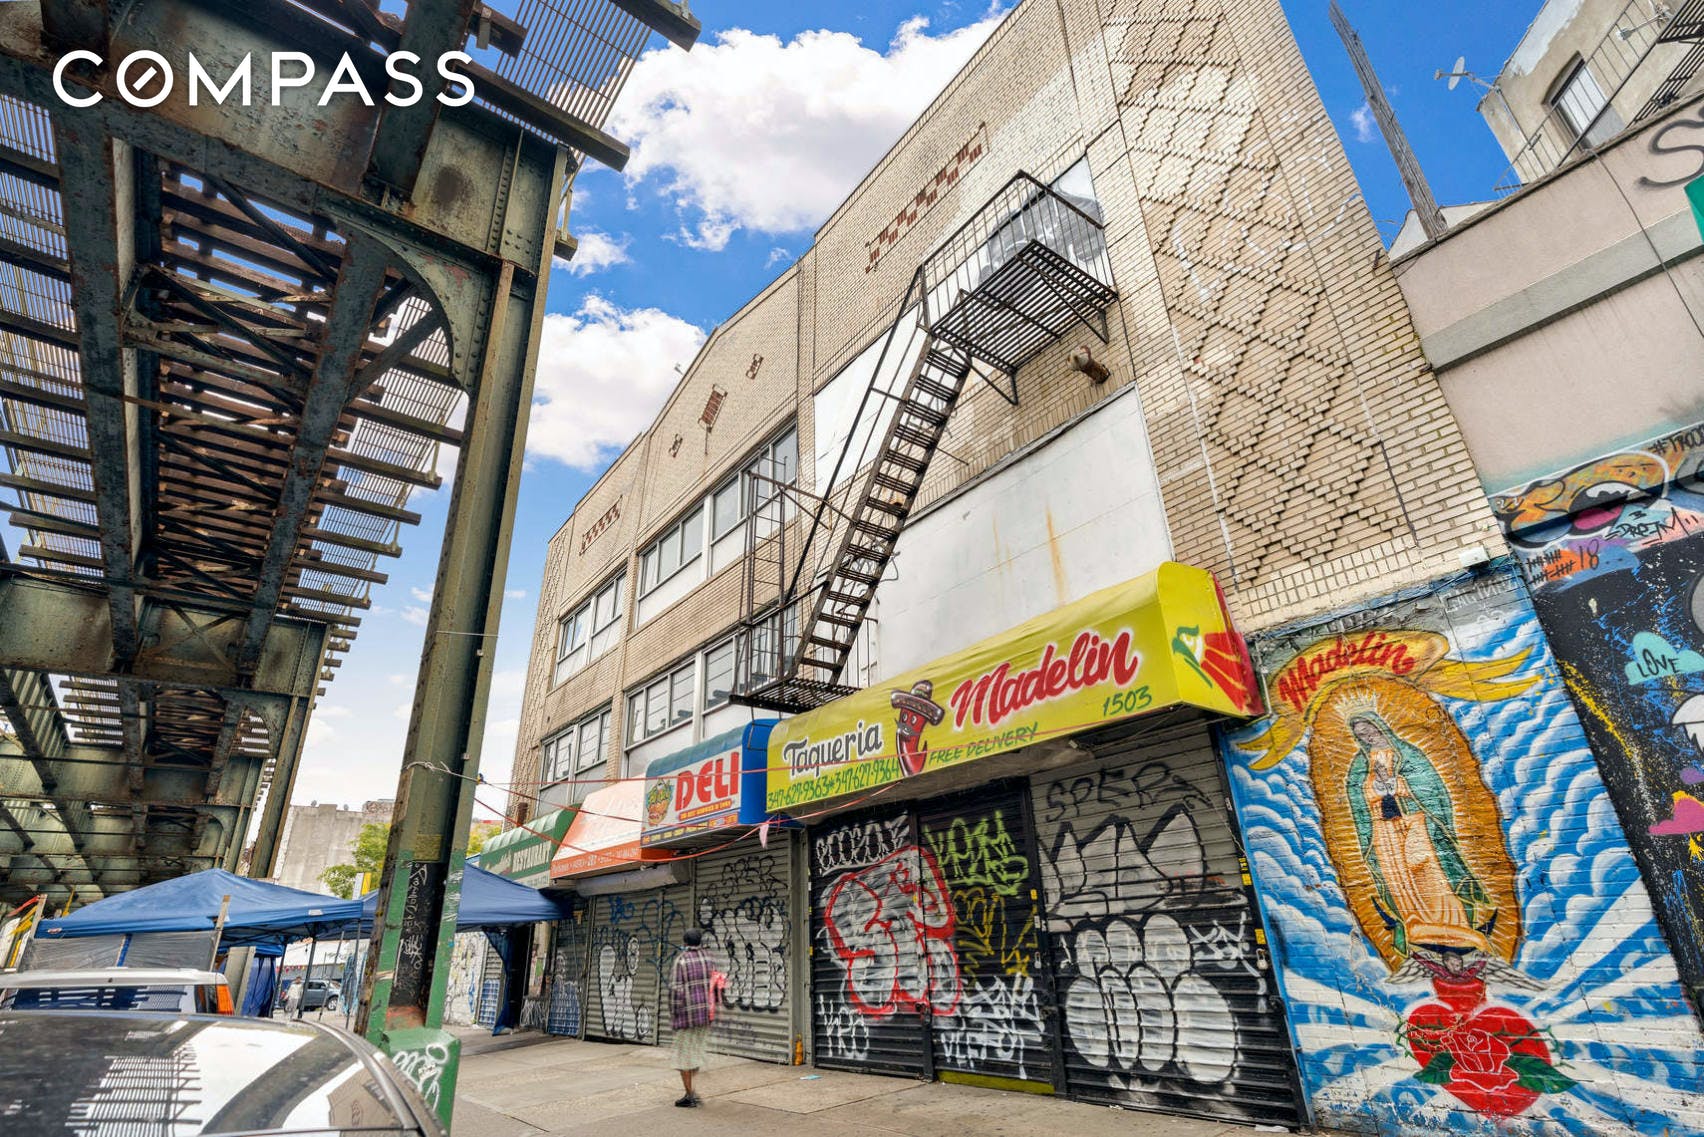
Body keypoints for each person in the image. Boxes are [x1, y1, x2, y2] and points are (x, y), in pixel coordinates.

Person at [669, 928, 715, 1107]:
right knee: (695, 1054)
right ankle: (692, 1091)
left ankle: (690, 1095)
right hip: (704, 1015)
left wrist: (674, 1014)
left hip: (687, 1017)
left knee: (683, 1057)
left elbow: (676, 990)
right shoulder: (708, 959)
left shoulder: (681, 961)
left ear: (685, 942)